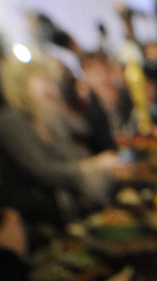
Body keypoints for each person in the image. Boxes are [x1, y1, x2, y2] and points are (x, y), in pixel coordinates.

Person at [0, 53, 124, 226]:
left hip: (64, 213)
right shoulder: (10, 122)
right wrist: (92, 166)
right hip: (32, 221)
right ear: (22, 84)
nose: (54, 90)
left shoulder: (50, 119)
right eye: (44, 81)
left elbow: (71, 158)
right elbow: (42, 170)